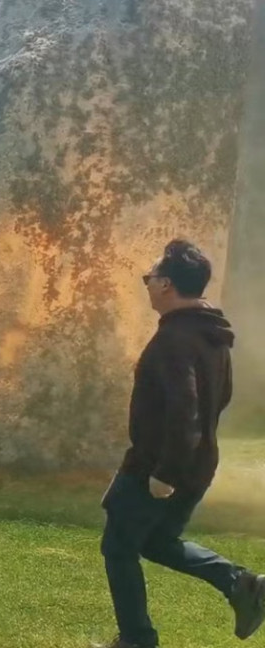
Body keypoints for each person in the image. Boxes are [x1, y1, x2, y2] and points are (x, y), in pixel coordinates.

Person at [95, 240, 265, 648]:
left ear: (167, 284)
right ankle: (241, 583)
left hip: (158, 466)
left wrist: (164, 473)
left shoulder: (174, 339)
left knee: (118, 548)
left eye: (149, 277)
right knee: (156, 542)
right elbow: (219, 399)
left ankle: (137, 640)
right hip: (199, 463)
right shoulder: (212, 335)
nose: (147, 285)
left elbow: (185, 408)